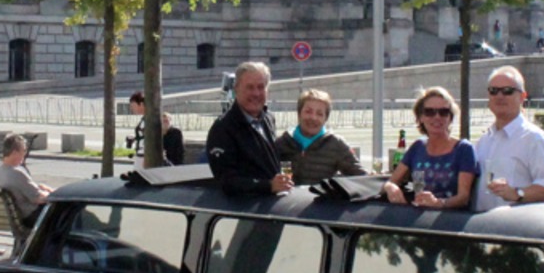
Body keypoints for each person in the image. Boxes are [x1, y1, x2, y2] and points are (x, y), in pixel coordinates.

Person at [470, 65, 544, 211]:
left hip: (515, 229)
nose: (499, 96)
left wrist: (517, 193)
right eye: (494, 91)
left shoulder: (535, 139)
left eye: (508, 91)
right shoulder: (484, 140)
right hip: (480, 228)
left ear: (522, 97)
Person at [381, 86, 477, 209]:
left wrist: (438, 203)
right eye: (429, 112)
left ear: (450, 118)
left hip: (450, 219)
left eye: (443, 112)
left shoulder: (463, 149)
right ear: (420, 117)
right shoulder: (417, 147)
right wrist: (391, 188)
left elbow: (463, 197)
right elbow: (392, 181)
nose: (437, 117)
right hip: (418, 218)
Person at [206, 61, 292, 196]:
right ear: (236, 89)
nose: (256, 93)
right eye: (250, 87)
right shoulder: (223, 128)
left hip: (272, 206)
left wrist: (283, 178)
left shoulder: (268, 118)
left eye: (260, 87)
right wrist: (268, 186)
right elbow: (227, 181)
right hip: (245, 210)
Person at [276, 89, 366, 184]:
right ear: (299, 113)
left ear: (325, 119)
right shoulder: (282, 143)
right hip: (289, 198)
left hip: (321, 198)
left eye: (319, 114)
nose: (313, 118)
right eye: (308, 111)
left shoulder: (336, 144)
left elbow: (361, 178)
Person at [0, 131, 52, 221]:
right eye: (23, 150)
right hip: (30, 217)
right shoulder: (17, 173)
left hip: (10, 217)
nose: (24, 154)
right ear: (15, 153)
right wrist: (54, 193)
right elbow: (38, 198)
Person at [126, 90, 186, 166]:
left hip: (145, 157)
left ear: (141, 104)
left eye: (133, 106)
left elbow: (151, 138)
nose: (132, 109)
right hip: (141, 156)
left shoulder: (149, 119)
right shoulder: (145, 119)